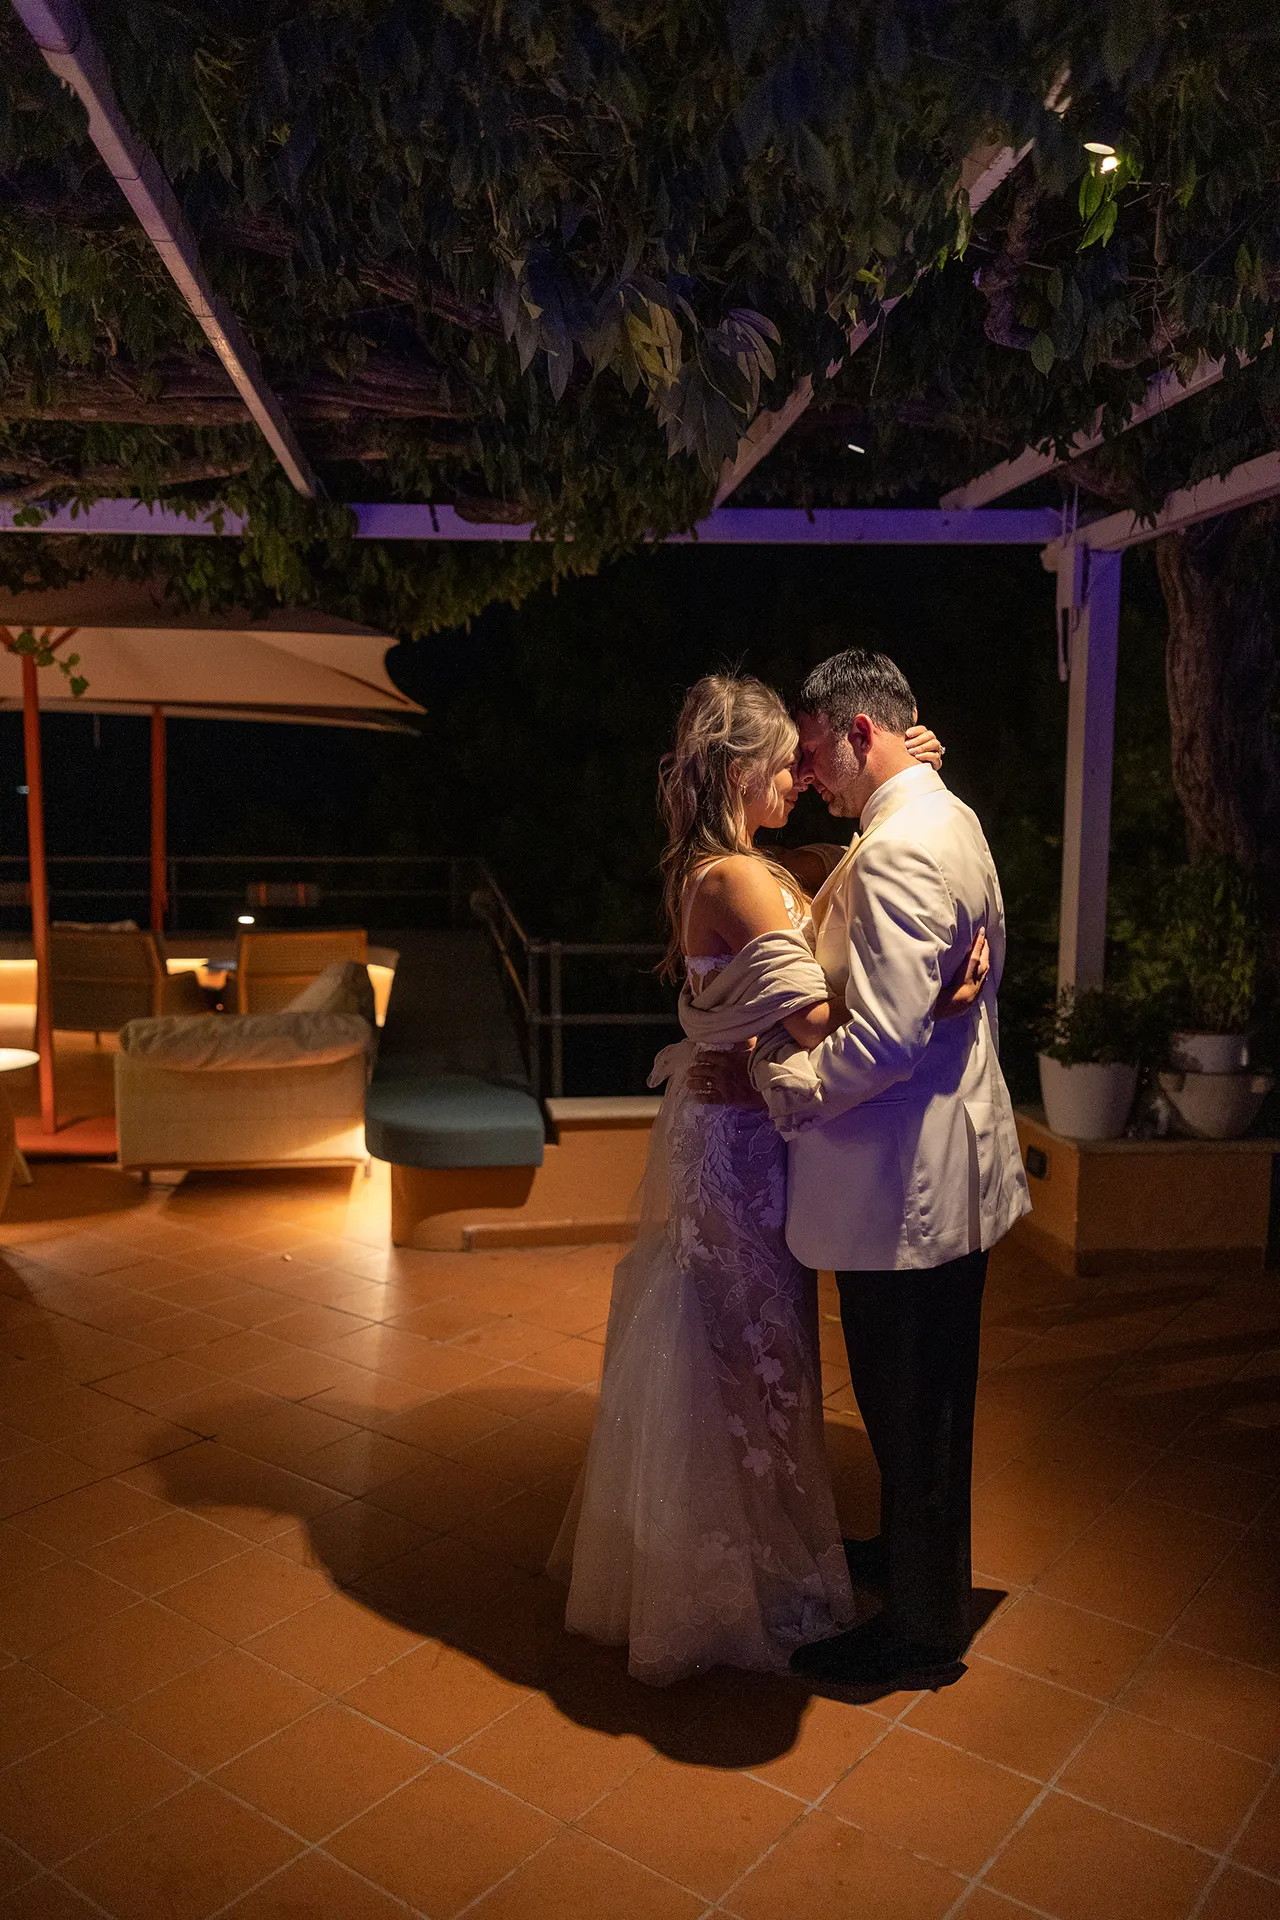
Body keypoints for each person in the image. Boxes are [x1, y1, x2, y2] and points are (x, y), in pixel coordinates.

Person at [548, 673, 988, 1686]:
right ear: (741, 771)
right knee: (738, 1352)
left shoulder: (768, 865)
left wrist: (906, 774)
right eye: (788, 764)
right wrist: (930, 1003)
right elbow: (816, 1021)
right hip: (737, 1148)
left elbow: (857, 863)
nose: (801, 778)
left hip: (761, 1133)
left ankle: (769, 1549)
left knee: (766, 1351)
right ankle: (726, 1576)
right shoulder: (736, 881)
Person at [741, 647, 1031, 1689]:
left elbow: (885, 1042)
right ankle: (917, 1569)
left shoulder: (903, 846)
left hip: (901, 1185)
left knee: (910, 1406)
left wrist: (783, 1081)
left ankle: (918, 1632)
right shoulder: (946, 817)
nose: (808, 773)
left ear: (861, 733)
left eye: (816, 751)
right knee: (926, 1403)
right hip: (943, 1166)